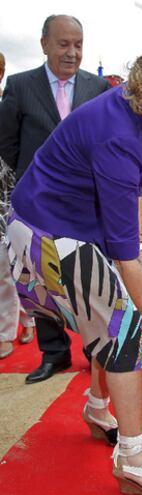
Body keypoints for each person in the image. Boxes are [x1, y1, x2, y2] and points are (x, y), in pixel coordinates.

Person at [6, 31, 142, 495]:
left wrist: (137, 248)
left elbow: (120, 217)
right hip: (43, 237)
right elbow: (124, 258)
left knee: (114, 314)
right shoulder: (118, 133)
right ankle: (132, 458)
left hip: (70, 227)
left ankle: (99, 408)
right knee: (125, 326)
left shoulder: (138, 117)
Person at [0, 15, 110, 381]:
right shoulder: (19, 86)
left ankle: (96, 349)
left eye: (78, 44)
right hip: (39, 205)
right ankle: (54, 353)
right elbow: (7, 144)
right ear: (44, 43)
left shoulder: (98, 88)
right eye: (63, 44)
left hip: (87, 203)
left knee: (90, 277)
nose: (72, 52)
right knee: (42, 279)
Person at [0, 52, 35, 359]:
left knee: (4, 268)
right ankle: (27, 317)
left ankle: (4, 332)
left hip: (5, 198)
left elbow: (12, 152)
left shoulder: (7, 107)